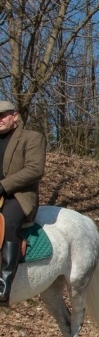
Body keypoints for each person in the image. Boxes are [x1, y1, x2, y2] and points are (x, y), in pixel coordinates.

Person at [0, 100, 46, 305]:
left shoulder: (32, 137)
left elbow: (35, 169)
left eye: (3, 115)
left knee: (7, 223)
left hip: (18, 196)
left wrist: (3, 186)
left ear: (15, 116)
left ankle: (3, 284)